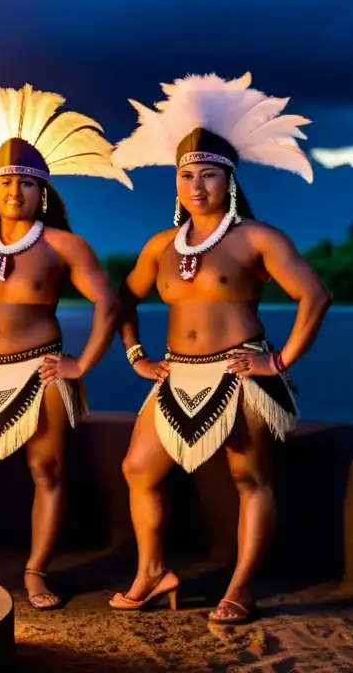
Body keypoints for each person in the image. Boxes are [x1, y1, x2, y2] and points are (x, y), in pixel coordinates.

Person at [109, 72, 332, 623]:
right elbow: (122, 300)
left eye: (208, 175)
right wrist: (136, 355)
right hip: (176, 374)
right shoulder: (161, 245)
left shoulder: (258, 237)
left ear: (228, 181)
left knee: (249, 478)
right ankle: (154, 572)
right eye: (187, 176)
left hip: (241, 373)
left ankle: (242, 588)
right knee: (138, 468)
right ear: (176, 182)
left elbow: (317, 296)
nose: (196, 186)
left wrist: (277, 361)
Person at [0, 84, 131, 609]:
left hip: (40, 372)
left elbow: (110, 303)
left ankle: (36, 573)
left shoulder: (63, 246)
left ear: (43, 191)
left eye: (25, 183)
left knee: (47, 470)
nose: (14, 191)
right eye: (5, 182)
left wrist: (81, 363)